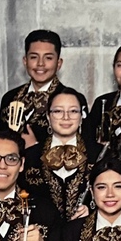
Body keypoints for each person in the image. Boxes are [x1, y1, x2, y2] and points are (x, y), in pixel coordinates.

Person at [0, 30, 82, 150]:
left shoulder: (72, 99)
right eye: (34, 57)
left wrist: (35, 147)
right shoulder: (10, 98)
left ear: (59, 63)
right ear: (25, 61)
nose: (40, 64)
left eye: (48, 58)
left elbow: (81, 148)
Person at [22, 86, 92, 222]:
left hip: (85, 231)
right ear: (48, 117)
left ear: (81, 117)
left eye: (73, 111)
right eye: (58, 111)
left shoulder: (100, 155)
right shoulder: (29, 157)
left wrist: (92, 211)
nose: (66, 117)